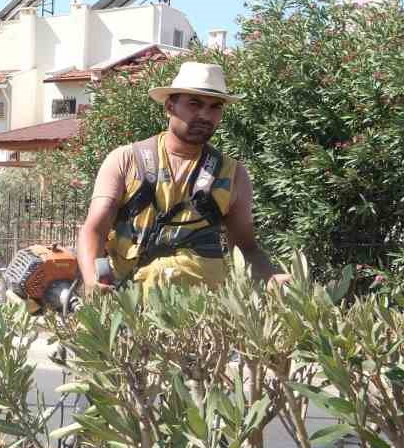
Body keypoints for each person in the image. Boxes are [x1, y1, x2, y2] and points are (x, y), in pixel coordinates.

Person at [77, 61, 287, 296]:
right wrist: (91, 281)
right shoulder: (126, 160)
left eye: (215, 107)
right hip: (130, 307)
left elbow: (246, 248)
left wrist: (272, 277)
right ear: (170, 106)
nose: (205, 115)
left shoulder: (232, 174)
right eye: (194, 104)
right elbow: (94, 229)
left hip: (201, 317)